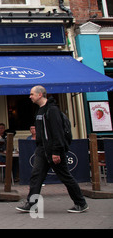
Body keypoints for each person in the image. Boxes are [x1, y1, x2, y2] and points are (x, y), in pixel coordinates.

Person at [16, 85, 89, 214]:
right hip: (42, 150)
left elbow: (57, 133)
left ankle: (81, 203)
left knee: (65, 177)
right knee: (36, 176)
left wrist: (56, 151)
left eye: (32, 94)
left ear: (40, 95)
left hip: (53, 150)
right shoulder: (39, 111)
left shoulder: (52, 110)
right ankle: (32, 204)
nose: (30, 96)